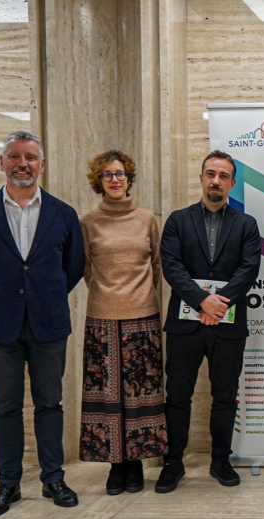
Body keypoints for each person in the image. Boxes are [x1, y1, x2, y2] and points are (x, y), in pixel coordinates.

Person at [0, 130, 85, 517]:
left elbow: (73, 268)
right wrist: (2, 300)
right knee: (6, 408)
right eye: (14, 157)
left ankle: (53, 479)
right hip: (0, 328)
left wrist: (41, 298)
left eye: (30, 158)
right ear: (2, 163)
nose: (22, 164)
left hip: (49, 325)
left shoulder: (63, 214)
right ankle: (8, 485)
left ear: (42, 165)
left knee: (50, 403)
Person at [156, 150, 261, 493]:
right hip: (185, 326)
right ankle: (173, 462)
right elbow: (171, 266)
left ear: (233, 183)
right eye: (210, 174)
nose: (216, 181)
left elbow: (248, 270)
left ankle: (220, 460)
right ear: (201, 178)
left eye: (223, 175)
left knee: (225, 396)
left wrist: (219, 304)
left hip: (228, 326)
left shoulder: (246, 224)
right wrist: (203, 300)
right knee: (177, 396)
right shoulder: (177, 220)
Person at [78, 150, 166, 495]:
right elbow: (85, 268)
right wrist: (109, 296)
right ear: (98, 182)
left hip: (142, 317)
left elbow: (156, 266)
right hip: (102, 318)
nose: (115, 180)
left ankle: (138, 465)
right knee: (108, 397)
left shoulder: (146, 219)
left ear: (129, 178)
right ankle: (117, 466)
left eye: (120, 174)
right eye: (107, 175)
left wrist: (137, 296)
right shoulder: (88, 222)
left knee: (140, 395)